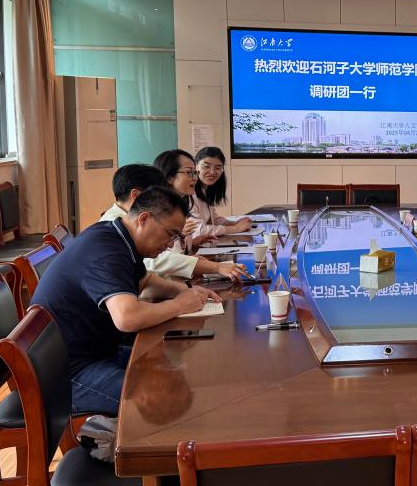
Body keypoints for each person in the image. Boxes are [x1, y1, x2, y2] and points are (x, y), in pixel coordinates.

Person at [31, 186, 221, 415]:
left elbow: (145, 280)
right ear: (144, 219)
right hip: (68, 375)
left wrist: (185, 291)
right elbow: (127, 318)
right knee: (164, 398)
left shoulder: (119, 237)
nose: (171, 244)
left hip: (99, 353)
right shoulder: (106, 249)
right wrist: (180, 305)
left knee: (182, 369)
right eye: (170, 234)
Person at [101, 163, 248, 281]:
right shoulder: (115, 223)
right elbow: (155, 262)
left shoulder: (129, 217)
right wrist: (215, 267)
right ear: (135, 195)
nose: (194, 178)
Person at [191, 146, 252, 240]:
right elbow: (198, 230)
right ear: (195, 166)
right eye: (206, 166)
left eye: (218, 168)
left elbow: (213, 219)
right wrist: (236, 228)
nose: (212, 172)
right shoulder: (189, 192)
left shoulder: (205, 189)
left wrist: (233, 223)